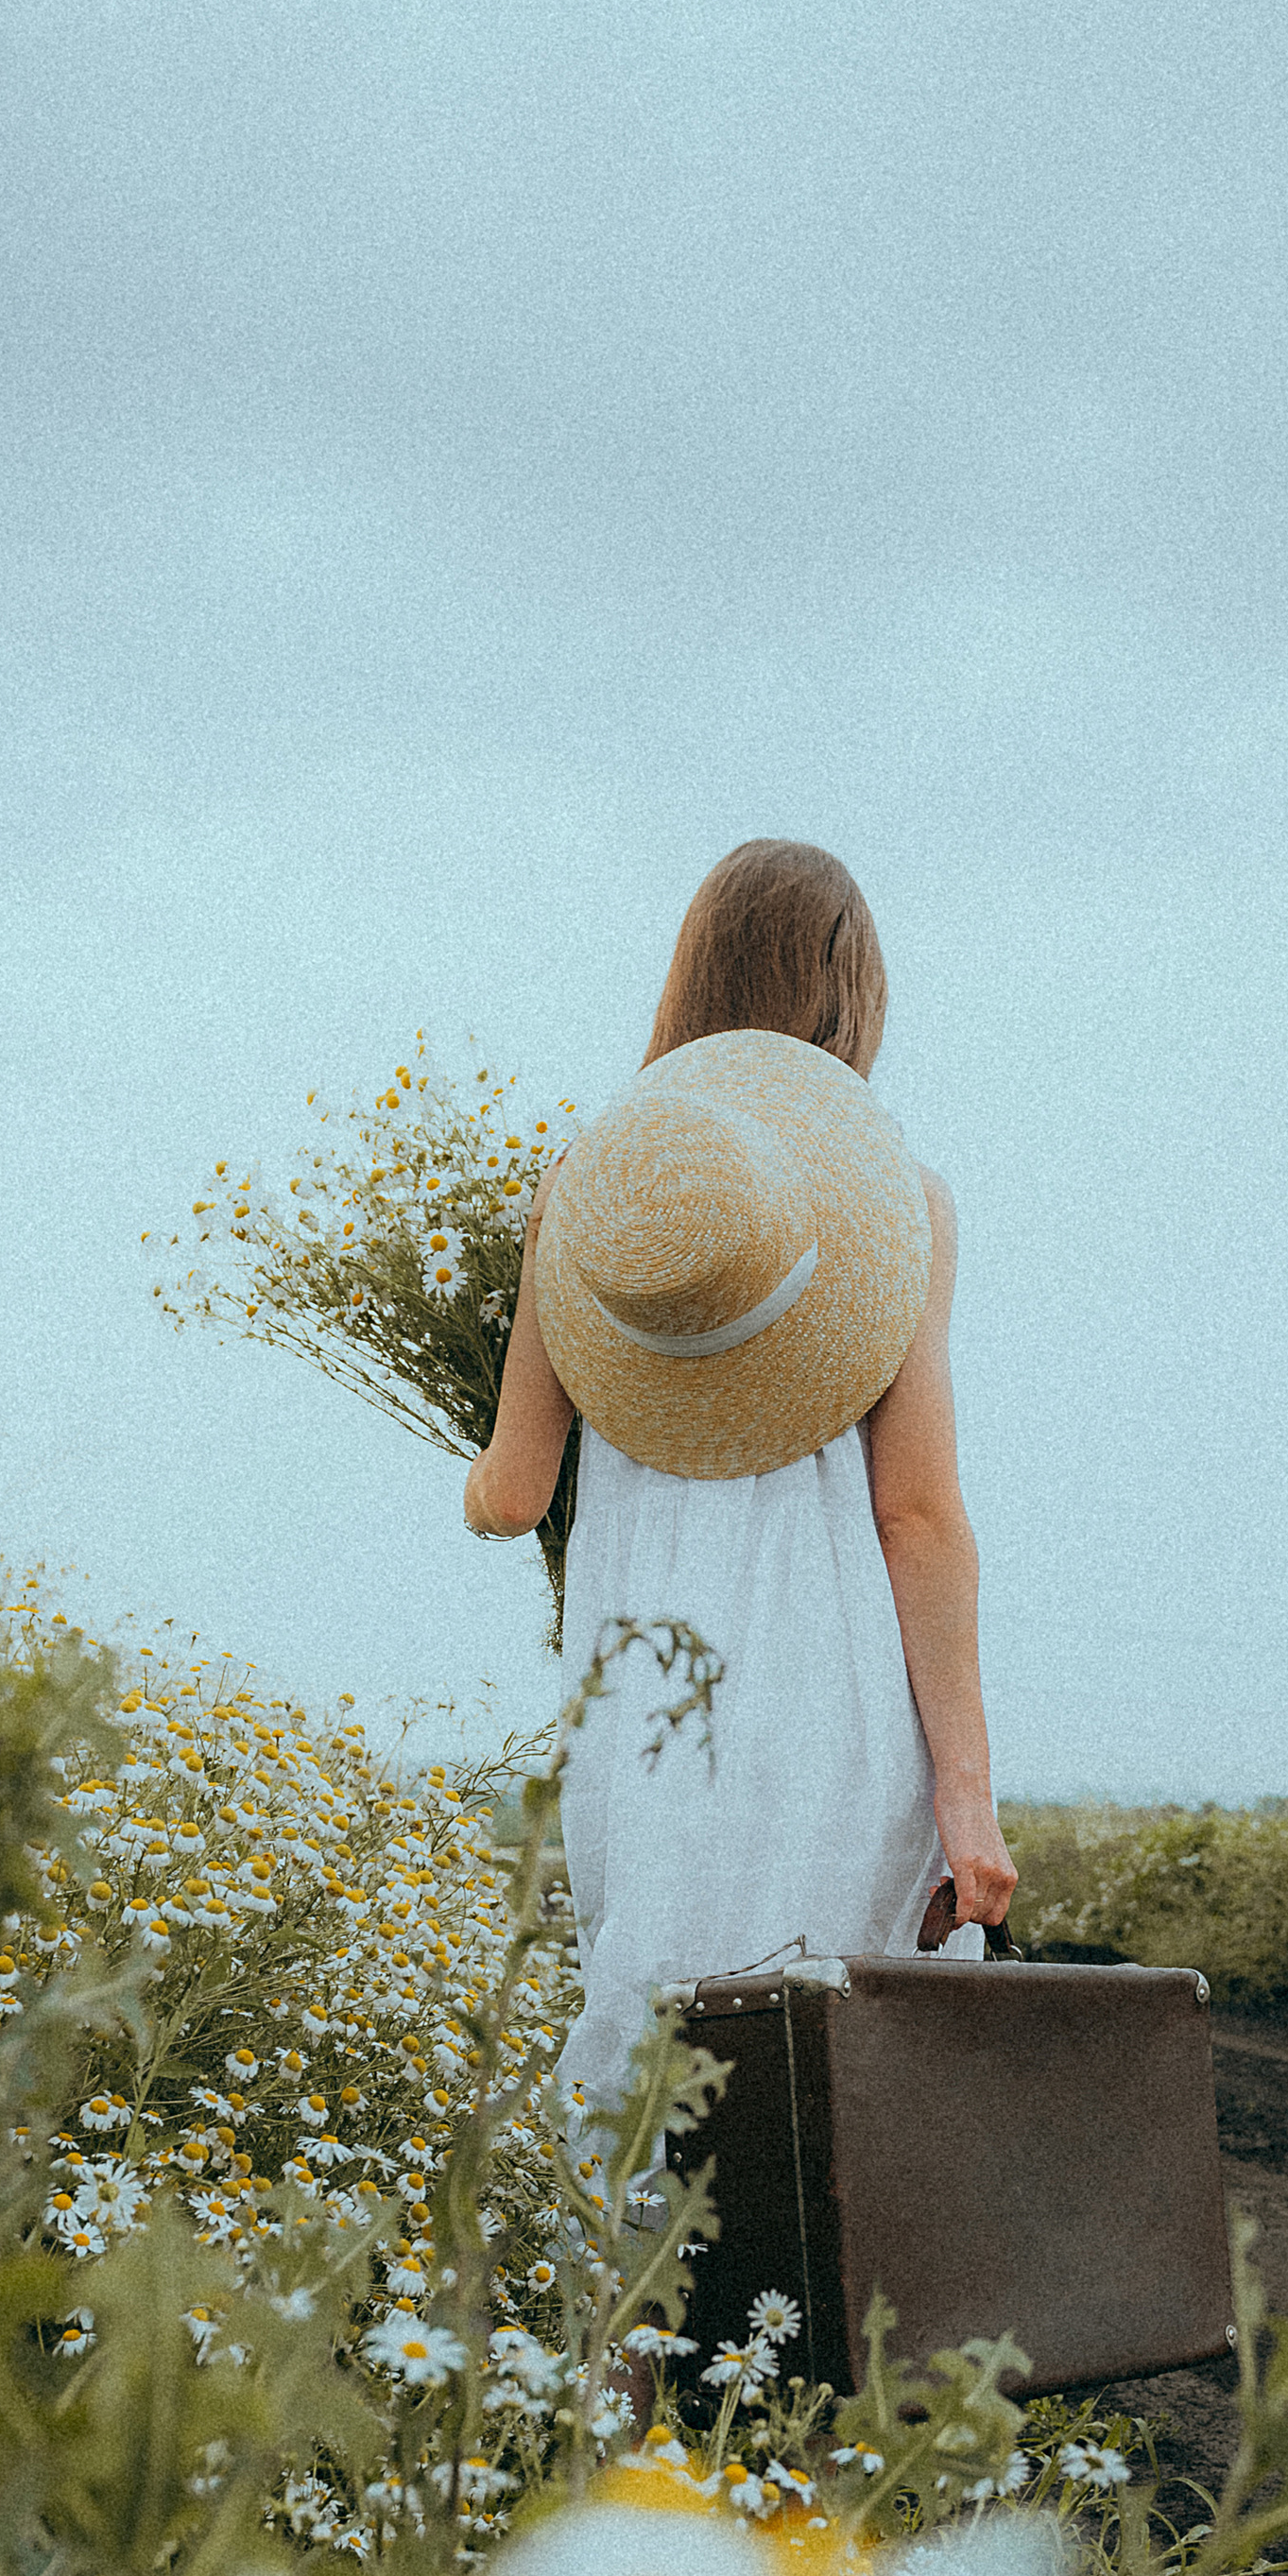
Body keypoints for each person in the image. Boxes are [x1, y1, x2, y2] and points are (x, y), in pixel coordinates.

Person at [461, 837, 1017, 2149]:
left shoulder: (594, 1197)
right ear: (844, 994)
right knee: (847, 2086)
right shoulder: (899, 1212)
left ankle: (629, 2356)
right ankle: (839, 2353)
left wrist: (487, 1471)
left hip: (652, 1699)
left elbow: (509, 1491)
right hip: (840, 1710)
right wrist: (967, 1792)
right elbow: (917, 1517)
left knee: (653, 2063)